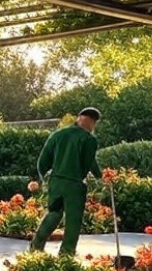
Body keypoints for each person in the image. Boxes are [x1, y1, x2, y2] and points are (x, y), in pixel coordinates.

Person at [29, 107, 103, 256]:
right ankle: (66, 254)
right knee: (73, 220)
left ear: (79, 118)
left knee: (54, 213)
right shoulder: (89, 139)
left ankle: (36, 247)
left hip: (55, 182)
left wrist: (45, 179)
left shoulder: (58, 134)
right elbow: (89, 162)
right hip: (74, 184)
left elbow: (42, 161)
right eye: (94, 124)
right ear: (91, 122)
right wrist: (100, 177)